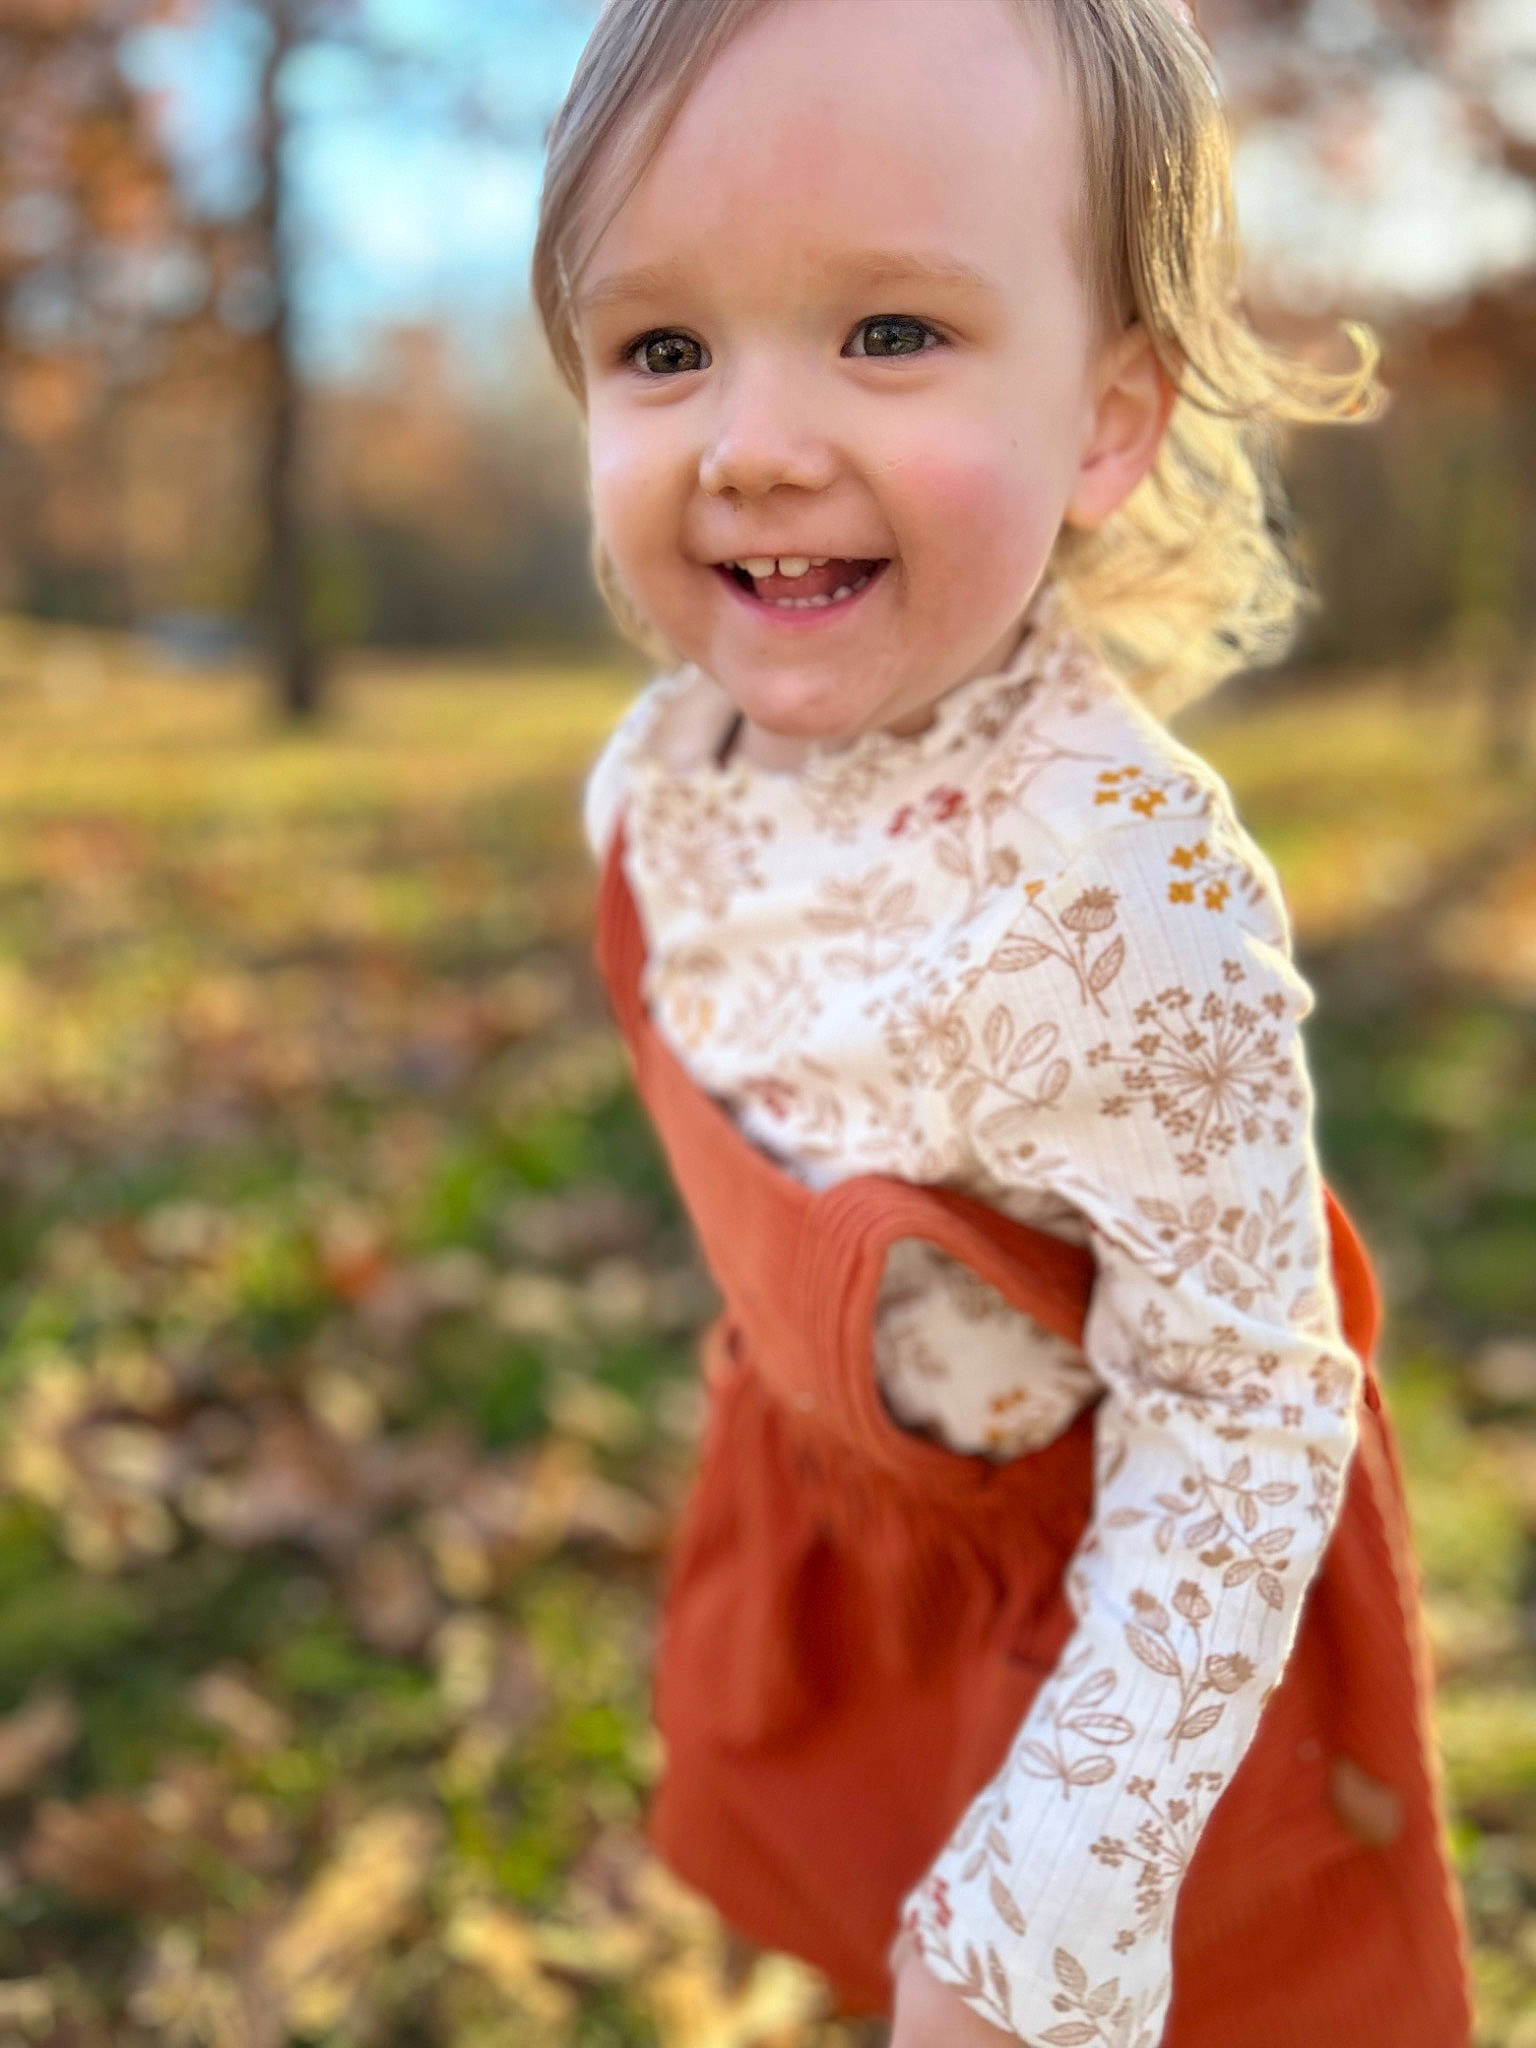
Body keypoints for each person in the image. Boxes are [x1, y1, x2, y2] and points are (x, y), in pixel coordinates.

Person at [530, 0, 1476, 2041]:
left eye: (888, 332)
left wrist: (1046, 1901)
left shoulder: (1118, 889)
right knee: (848, 1912)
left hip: (1106, 1634)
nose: (753, 443)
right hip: (839, 1534)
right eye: (663, 348)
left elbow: (1246, 1417)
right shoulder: (663, 777)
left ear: (1107, 420)